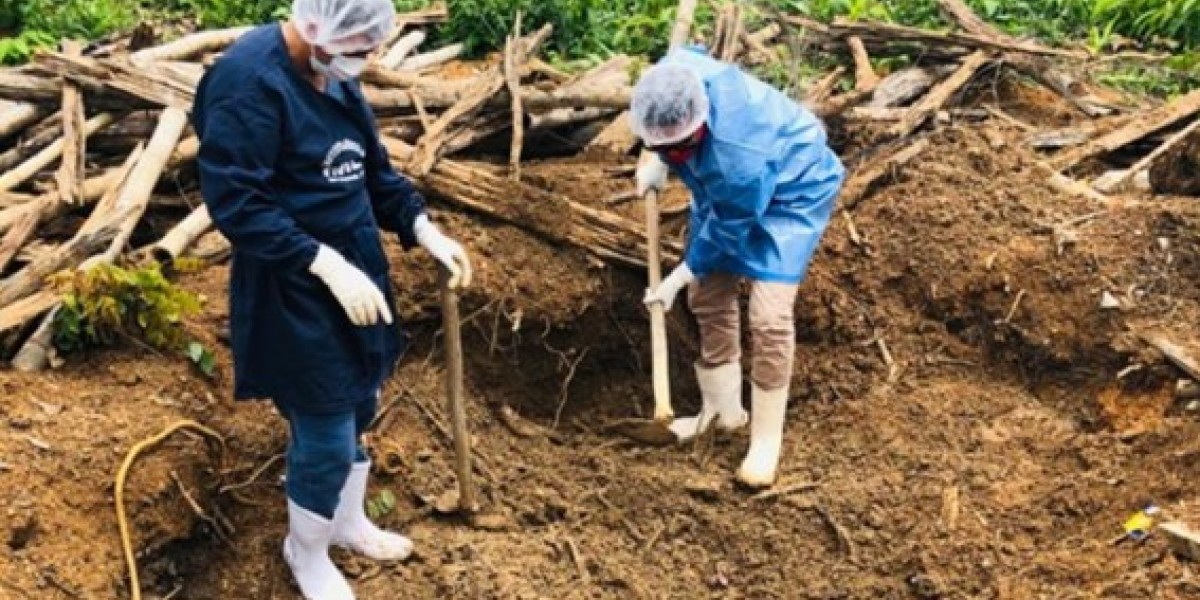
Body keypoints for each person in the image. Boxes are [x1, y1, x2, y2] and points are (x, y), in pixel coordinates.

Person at [192, 1, 472, 598]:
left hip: (356, 268)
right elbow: (237, 201)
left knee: (362, 400)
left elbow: (372, 173)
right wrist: (320, 262)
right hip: (293, 280)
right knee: (324, 429)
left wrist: (422, 226)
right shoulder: (247, 83)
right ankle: (307, 550)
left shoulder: (333, 75)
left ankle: (346, 521)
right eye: (361, 48)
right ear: (317, 30)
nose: (366, 62)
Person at [632, 45, 845, 488]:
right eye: (661, 145)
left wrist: (679, 273)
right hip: (728, 187)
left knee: (768, 317)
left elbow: (729, 228)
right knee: (708, 293)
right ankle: (721, 411)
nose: (672, 154)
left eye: (678, 147)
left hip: (793, 189)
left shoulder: (736, 159)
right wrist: (657, 158)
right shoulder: (671, 77)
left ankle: (765, 441)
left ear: (701, 125)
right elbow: (679, 64)